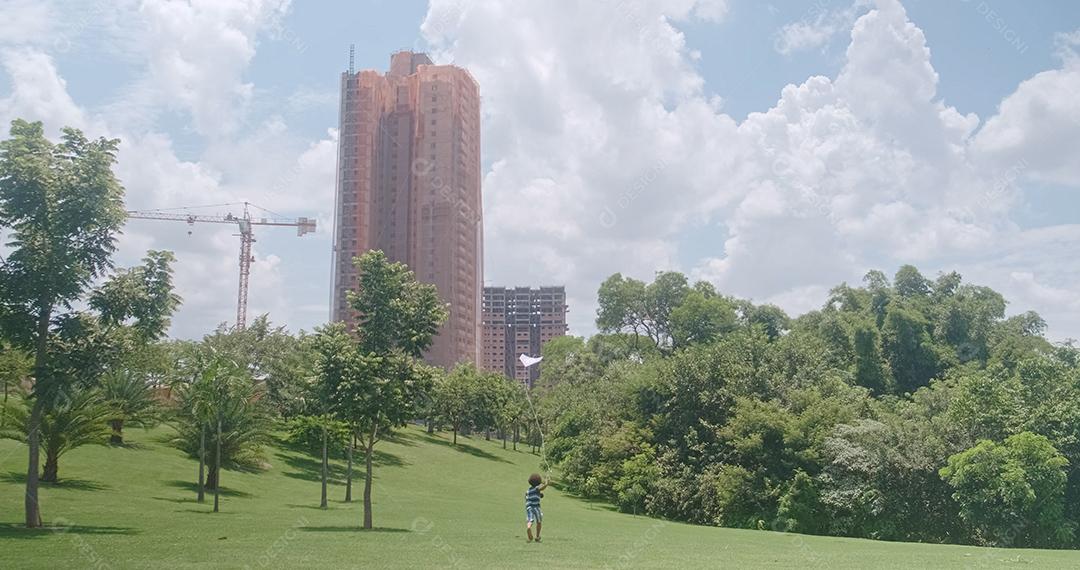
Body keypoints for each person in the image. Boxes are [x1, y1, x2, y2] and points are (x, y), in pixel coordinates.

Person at [525, 473, 548, 542]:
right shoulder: (537, 488)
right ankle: (537, 536)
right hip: (536, 507)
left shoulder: (528, 490)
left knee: (530, 520)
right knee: (539, 521)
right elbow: (542, 488)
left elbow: (530, 496)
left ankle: (529, 527)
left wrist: (540, 495)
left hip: (529, 507)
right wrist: (546, 483)